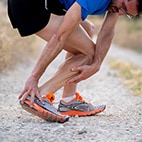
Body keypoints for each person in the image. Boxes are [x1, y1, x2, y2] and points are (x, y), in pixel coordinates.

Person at [7, 0, 142, 123]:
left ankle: (69, 100)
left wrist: (97, 64)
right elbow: (60, 37)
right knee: (89, 55)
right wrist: (34, 77)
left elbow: (107, 31)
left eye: (127, 13)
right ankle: (39, 97)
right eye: (123, 7)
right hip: (30, 5)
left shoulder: (116, 5)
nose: (120, 12)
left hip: (49, 5)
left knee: (88, 29)